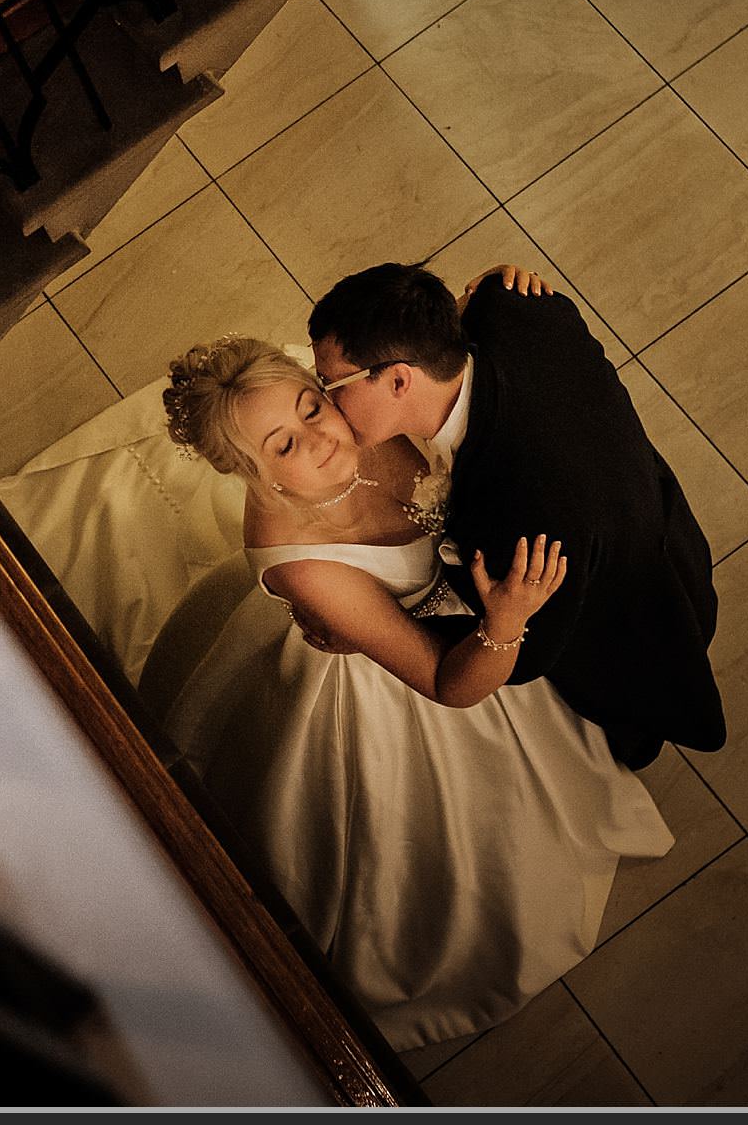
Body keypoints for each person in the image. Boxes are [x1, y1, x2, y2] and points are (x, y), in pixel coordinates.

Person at [155, 324, 672, 1051]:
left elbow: (439, 346)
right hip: (420, 667)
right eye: (282, 447)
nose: (320, 437)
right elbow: (445, 681)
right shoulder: (305, 566)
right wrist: (507, 619)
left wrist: (499, 285)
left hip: (465, 604)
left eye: (309, 406)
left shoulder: (364, 407)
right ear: (253, 473)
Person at [308, 261, 725, 770]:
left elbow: (525, 654)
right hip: (654, 511)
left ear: (398, 380)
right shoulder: (514, 303)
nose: (324, 401)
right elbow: (498, 294)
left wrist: (377, 633)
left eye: (333, 386)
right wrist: (496, 277)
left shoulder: (525, 521)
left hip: (621, 613)